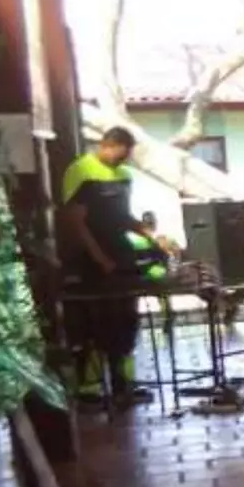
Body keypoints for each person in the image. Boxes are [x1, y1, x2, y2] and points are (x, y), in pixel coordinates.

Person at [60, 125, 166, 404]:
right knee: (96, 325)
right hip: (91, 262)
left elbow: (122, 217)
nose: (125, 159)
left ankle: (123, 385)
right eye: (123, 153)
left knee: (126, 322)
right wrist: (99, 258)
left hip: (122, 257)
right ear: (109, 145)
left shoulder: (124, 175)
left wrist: (150, 235)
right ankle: (90, 389)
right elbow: (75, 221)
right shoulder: (81, 171)